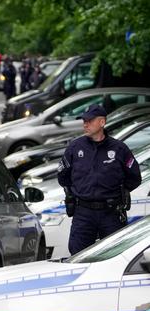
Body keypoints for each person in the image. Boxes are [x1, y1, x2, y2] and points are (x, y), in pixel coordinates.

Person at [58, 104, 141, 255]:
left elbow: (135, 177)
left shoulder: (119, 149)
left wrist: (117, 192)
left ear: (102, 122)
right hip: (83, 213)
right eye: (84, 120)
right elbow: (63, 177)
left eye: (89, 121)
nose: (85, 124)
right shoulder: (75, 148)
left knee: (116, 255)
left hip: (111, 213)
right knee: (77, 254)